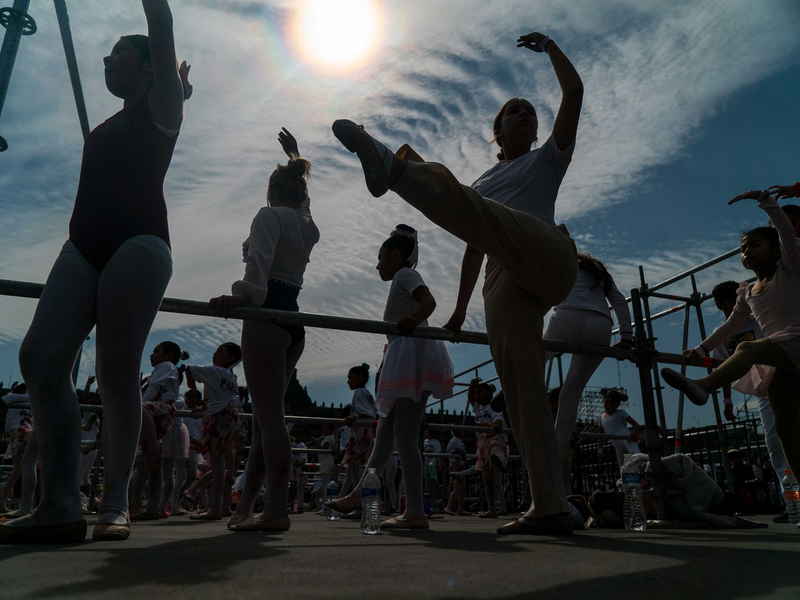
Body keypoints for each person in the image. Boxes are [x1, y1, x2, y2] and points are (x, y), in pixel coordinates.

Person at [332, 30, 582, 535]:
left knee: (460, 197)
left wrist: (552, 49)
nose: (525, 114)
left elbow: (573, 94)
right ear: (497, 132)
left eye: (530, 111)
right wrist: (457, 311)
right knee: (521, 391)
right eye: (514, 110)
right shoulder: (483, 187)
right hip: (502, 276)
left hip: (544, 249)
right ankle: (549, 504)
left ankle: (394, 169)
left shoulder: (548, 158)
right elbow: (473, 244)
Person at [2, 0, 190, 544]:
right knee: (39, 357)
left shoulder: (162, 107)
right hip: (83, 245)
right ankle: (59, 502)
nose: (107, 61)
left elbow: (162, 21)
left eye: (118, 54)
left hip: (140, 244)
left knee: (113, 370)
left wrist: (161, 39)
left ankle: (114, 501)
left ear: (150, 65)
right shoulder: (112, 121)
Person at [212, 129, 320, 533]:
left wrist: (240, 298)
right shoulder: (307, 225)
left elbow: (258, 266)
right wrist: (295, 155)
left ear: (272, 190)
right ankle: (248, 509)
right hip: (293, 318)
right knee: (264, 418)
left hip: (265, 313)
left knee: (269, 418)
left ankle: (276, 508)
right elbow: (304, 202)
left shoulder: (268, 216)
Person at [662, 189, 800, 496]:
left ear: (777, 250)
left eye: (755, 244)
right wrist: (701, 349)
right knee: (784, 427)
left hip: (796, 339)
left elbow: (786, 233)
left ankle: (705, 386)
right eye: (743, 248)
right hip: (784, 356)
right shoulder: (747, 292)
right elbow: (730, 326)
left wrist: (767, 204)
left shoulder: (789, 268)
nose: (747, 251)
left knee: (748, 348)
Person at [327, 227, 454, 528]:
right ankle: (361, 495)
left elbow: (429, 302)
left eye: (380, 257)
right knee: (385, 433)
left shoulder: (404, 275)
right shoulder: (400, 277)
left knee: (405, 436)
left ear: (396, 256)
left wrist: (412, 318)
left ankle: (415, 513)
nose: (377, 264)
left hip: (411, 356)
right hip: (404, 355)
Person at [708, 280, 790, 521]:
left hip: (786, 374)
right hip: (762, 388)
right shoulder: (723, 332)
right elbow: (725, 367)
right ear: (720, 305)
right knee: (775, 444)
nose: (734, 307)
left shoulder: (759, 316)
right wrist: (727, 401)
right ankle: (793, 502)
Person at [545, 253, 633, 452]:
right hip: (601, 325)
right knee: (571, 394)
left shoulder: (561, 260)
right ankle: (555, 452)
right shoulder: (599, 270)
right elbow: (619, 300)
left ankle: (509, 391)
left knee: (533, 358)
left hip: (568, 315)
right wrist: (626, 336)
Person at [185, 343, 242, 520]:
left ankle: (214, 508)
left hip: (216, 417)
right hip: (232, 415)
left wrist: (192, 386)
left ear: (231, 358)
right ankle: (224, 502)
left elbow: (189, 368)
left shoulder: (214, 371)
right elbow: (221, 397)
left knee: (217, 467)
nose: (215, 353)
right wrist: (203, 406)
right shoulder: (232, 377)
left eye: (220, 351)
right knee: (226, 453)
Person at [130, 341, 186, 521]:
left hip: (161, 408)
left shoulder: (166, 366)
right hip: (157, 413)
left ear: (169, 355)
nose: (151, 355)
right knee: (151, 466)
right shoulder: (163, 368)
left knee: (140, 409)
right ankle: (151, 508)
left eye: (156, 351)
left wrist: (138, 407)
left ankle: (154, 445)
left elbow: (153, 390)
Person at [469, 378, 509, 518]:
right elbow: (471, 400)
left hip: (493, 436)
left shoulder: (492, 406)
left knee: (496, 449)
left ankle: (500, 459)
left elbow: (498, 418)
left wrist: (495, 425)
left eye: (480, 393)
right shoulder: (478, 409)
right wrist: (471, 385)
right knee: (488, 479)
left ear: (490, 395)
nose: (477, 396)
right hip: (482, 441)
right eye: (476, 393)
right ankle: (492, 509)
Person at [338, 364, 377, 501]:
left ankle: (356, 500)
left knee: (354, 467)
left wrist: (354, 417)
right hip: (366, 432)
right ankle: (341, 499)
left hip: (359, 433)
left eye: (350, 377)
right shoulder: (368, 393)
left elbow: (366, 412)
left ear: (360, 378)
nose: (348, 381)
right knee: (351, 470)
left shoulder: (359, 392)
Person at [0, 383, 34, 513]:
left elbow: (8, 422)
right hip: (27, 431)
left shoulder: (11, 398)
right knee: (29, 468)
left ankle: (3, 500)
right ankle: (27, 505)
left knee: (17, 470)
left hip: (15, 431)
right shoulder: (29, 398)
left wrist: (6, 431)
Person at [596, 389, 639, 468]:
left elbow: (635, 424)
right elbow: (601, 435)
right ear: (604, 401)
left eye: (612, 404)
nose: (609, 406)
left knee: (635, 453)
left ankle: (647, 467)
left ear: (617, 405)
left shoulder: (620, 413)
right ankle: (633, 478)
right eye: (607, 403)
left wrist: (634, 433)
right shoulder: (600, 417)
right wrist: (600, 450)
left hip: (626, 437)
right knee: (623, 468)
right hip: (617, 446)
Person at [308, 424, 336, 513]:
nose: (323, 429)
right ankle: (326, 506)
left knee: (325, 486)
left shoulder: (328, 438)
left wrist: (314, 441)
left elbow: (324, 448)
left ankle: (326, 507)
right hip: (325, 463)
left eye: (325, 427)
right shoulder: (329, 437)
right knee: (325, 486)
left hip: (327, 463)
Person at [443, 431, 470, 516]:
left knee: (462, 488)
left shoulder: (459, 441)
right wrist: (458, 453)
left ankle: (460, 509)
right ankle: (448, 507)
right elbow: (449, 451)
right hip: (456, 465)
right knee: (457, 487)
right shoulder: (454, 440)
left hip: (460, 465)